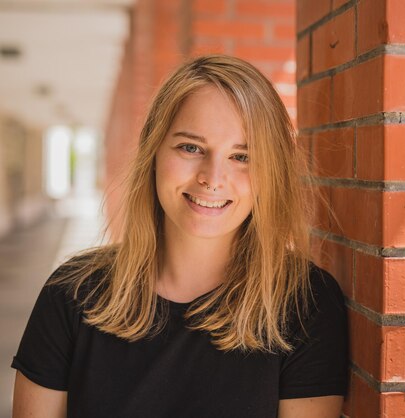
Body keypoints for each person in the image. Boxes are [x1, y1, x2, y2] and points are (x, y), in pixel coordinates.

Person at [11, 55, 348, 418]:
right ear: (154, 151)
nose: (212, 177)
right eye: (191, 148)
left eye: (242, 156)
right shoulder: (72, 294)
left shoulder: (306, 304)